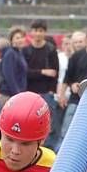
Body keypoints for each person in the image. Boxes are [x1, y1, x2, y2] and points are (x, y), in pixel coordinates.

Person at [23, 19, 60, 151]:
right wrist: (42, 72)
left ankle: (48, 150)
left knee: (49, 123)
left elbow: (55, 72)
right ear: (31, 32)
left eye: (40, 31)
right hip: (29, 92)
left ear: (44, 32)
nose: (37, 34)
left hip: (46, 92)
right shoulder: (25, 50)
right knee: (29, 121)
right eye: (35, 31)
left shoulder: (50, 49)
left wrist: (52, 90)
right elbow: (25, 73)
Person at [0, 26, 28, 105]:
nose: (21, 40)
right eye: (17, 38)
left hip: (16, 94)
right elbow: (9, 76)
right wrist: (17, 95)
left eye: (22, 37)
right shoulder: (10, 53)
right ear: (11, 40)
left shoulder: (19, 53)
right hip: (9, 95)